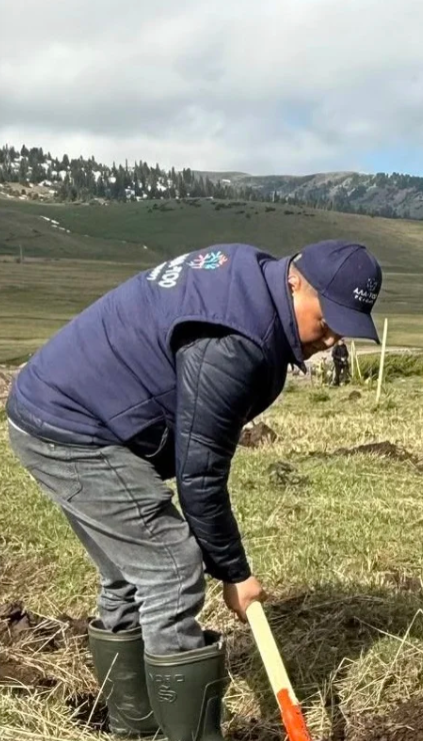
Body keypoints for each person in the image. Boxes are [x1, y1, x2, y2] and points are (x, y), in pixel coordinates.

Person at [6, 240, 382, 740]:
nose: (334, 337)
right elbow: (199, 476)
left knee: (128, 570)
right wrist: (235, 573)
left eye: (345, 325)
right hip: (72, 428)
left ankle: (135, 727)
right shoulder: (235, 340)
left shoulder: (251, 276)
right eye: (329, 318)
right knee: (169, 568)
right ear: (296, 281)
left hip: (62, 409)